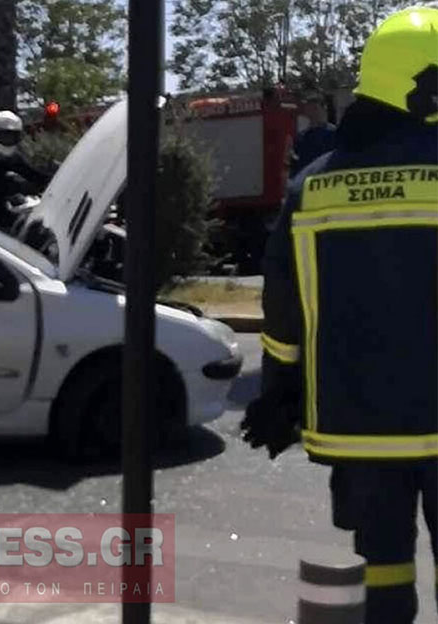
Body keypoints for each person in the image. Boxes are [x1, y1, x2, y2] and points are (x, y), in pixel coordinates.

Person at [240, 7, 437, 623]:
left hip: (358, 428)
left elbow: (283, 309)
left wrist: (278, 393)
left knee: (383, 575)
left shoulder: (310, 188)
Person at [0, 110, 52, 231]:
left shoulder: (14, 159)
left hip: (16, 219)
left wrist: (54, 180)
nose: (7, 140)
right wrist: (17, 188)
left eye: (11, 136)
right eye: (3, 136)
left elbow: (34, 175)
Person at [289, 91, 337, 177]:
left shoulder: (333, 133)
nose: (313, 112)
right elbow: (295, 162)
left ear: (323, 109)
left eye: (315, 108)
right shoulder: (301, 136)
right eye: (309, 109)